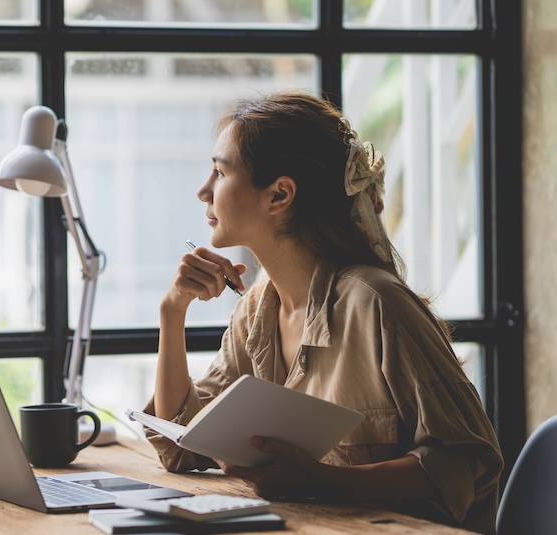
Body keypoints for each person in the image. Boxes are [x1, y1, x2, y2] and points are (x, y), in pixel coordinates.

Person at [144, 92, 503, 534]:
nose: (204, 190)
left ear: (279, 194)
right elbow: (181, 444)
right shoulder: (257, 309)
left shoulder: (376, 303)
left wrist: (326, 481)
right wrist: (171, 312)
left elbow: (468, 463)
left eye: (219, 171)